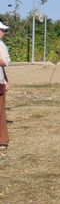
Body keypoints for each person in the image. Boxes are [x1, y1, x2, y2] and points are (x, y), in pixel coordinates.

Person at [0, 20, 11, 148]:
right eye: (2, 30)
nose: (3, 32)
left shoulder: (1, 45)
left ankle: (2, 140)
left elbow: (6, 62)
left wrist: (6, 80)